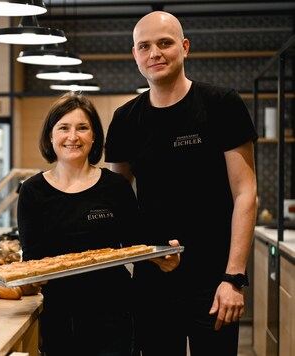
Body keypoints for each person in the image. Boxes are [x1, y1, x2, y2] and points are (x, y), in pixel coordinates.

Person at [104, 11, 258, 356]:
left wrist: (234, 278)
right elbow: (117, 201)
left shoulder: (221, 104)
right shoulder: (125, 119)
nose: (154, 53)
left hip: (214, 282)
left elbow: (246, 193)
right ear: (135, 55)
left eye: (164, 43)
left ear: (184, 47)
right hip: (151, 281)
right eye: (144, 46)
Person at [17, 92, 139, 356]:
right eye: (64, 128)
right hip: (58, 315)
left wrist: (162, 250)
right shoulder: (32, 191)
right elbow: (33, 260)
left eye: (82, 128)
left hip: (113, 313)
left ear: (94, 136)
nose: (73, 137)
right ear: (51, 136)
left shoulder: (115, 187)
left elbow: (135, 246)